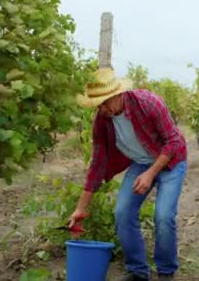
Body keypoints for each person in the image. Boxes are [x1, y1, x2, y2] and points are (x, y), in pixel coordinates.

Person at [70, 67, 187, 281]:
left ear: (119, 94)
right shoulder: (103, 120)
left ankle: (166, 272)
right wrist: (80, 209)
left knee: (163, 216)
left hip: (171, 161)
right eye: (98, 104)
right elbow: (97, 164)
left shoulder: (148, 103)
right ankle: (138, 271)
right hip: (141, 163)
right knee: (122, 213)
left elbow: (174, 141)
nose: (102, 108)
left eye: (105, 102)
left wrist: (151, 173)